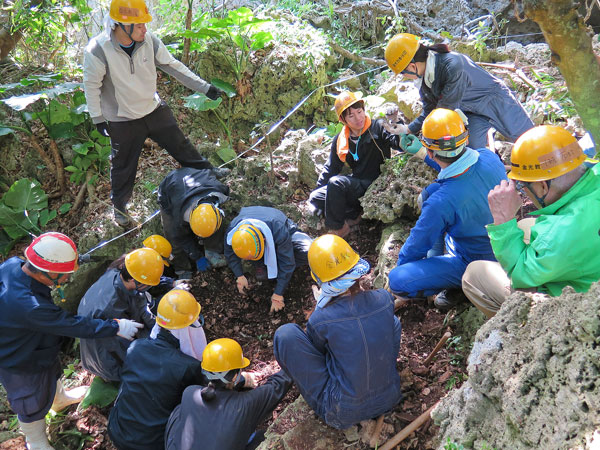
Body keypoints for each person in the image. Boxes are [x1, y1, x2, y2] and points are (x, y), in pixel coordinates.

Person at [83, 0, 229, 227]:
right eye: (140, 25)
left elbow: (173, 66)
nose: (145, 29)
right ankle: (119, 207)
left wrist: (205, 88)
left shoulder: (149, 41)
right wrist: (97, 118)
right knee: (123, 166)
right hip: (122, 120)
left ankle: (208, 172)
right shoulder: (98, 50)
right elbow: (91, 86)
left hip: (152, 108)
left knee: (180, 143)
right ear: (122, 25)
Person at [0, 232, 143, 450]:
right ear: (48, 272)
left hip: (36, 341)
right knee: (31, 400)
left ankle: (59, 398)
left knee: (51, 373)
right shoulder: (30, 307)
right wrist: (116, 326)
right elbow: (73, 324)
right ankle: (35, 440)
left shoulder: (12, 265)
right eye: (65, 274)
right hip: (19, 358)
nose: (68, 278)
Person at [462, 125, 600, 318]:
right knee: (525, 226)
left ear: (543, 185)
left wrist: (503, 220)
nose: (521, 190)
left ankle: (522, 333)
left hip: (585, 310)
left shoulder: (559, 235)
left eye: (523, 184)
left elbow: (521, 276)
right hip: (587, 261)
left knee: (474, 275)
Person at [273, 235, 402, 430]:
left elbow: (319, 352)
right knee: (392, 322)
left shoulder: (320, 319)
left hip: (342, 410)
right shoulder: (384, 298)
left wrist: (323, 308)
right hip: (390, 397)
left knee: (286, 334)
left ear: (319, 280)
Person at [387, 108, 507, 310]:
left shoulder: (442, 202)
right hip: (503, 243)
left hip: (474, 260)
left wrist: (408, 269)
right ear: (465, 139)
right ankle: (442, 266)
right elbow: (459, 167)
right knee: (429, 194)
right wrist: (421, 153)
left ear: (432, 152)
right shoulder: (489, 156)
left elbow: (415, 246)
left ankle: (456, 284)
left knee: (398, 280)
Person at [384, 33, 534, 150]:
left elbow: (443, 111)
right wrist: (407, 129)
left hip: (493, 99)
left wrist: (425, 145)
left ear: (411, 67)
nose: (404, 77)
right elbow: (430, 111)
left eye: (403, 73)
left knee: (527, 140)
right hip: (472, 113)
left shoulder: (453, 66)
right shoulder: (425, 81)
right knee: (473, 151)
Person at [108, 289, 207, 450]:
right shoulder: (187, 366)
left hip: (117, 431)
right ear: (188, 328)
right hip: (153, 443)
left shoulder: (136, 347)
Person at [165, 338, 292, 450]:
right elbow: (277, 385)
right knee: (261, 437)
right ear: (235, 376)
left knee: (179, 410)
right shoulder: (245, 405)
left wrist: (242, 381)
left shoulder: (189, 393)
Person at [308, 91, 401, 237]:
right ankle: (354, 217)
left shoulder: (378, 127)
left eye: (359, 111)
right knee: (316, 197)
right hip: (357, 184)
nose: (358, 118)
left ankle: (338, 228)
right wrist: (319, 188)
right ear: (343, 120)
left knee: (336, 184)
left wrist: (396, 122)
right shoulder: (342, 139)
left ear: (364, 110)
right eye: (351, 115)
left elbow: (398, 144)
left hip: (377, 183)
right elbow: (331, 168)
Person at [77, 247, 164, 382]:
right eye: (146, 284)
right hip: (106, 358)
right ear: (133, 280)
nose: (148, 287)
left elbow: (140, 302)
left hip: (107, 339)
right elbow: (118, 347)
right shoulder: (110, 307)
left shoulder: (117, 272)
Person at [224, 206, 313, 313]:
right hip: (259, 240)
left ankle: (278, 265)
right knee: (263, 273)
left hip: (285, 230)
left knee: (309, 252)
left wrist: (278, 294)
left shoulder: (279, 230)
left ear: (264, 240)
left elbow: (288, 263)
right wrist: (239, 275)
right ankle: (261, 263)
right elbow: (229, 253)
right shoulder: (233, 233)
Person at [158, 167, 230, 278]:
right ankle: (182, 269)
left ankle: (212, 251)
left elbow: (214, 219)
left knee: (213, 224)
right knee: (172, 237)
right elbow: (180, 237)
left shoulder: (219, 191)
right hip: (170, 192)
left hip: (197, 177)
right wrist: (197, 257)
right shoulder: (178, 216)